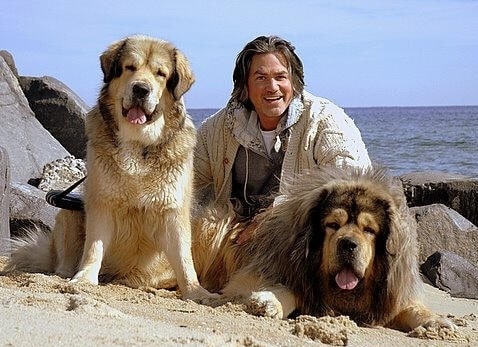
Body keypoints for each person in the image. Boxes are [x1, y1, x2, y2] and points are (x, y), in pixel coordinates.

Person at [194, 35, 371, 221]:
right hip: (235, 236)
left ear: (294, 83)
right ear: (245, 85)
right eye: (261, 77)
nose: (272, 87)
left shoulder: (326, 121)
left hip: (300, 237)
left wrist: (274, 213)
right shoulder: (218, 128)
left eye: (280, 77)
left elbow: (352, 184)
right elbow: (184, 178)